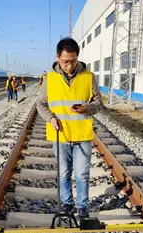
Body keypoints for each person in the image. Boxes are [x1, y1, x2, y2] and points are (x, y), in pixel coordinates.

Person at [36, 38, 103, 218]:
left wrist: (87, 108)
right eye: (65, 61)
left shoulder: (88, 77)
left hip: (82, 135)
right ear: (58, 57)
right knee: (64, 173)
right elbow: (40, 104)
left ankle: (82, 207)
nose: (70, 65)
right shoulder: (50, 78)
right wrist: (50, 118)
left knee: (82, 174)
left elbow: (98, 102)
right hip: (60, 136)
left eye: (73, 60)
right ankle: (67, 204)